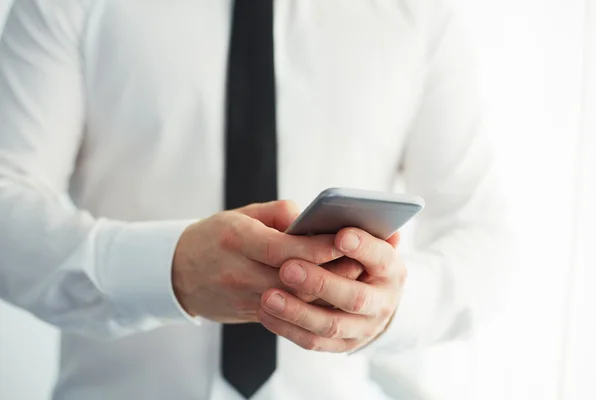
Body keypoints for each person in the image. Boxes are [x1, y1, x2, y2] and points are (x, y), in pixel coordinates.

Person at [0, 0, 510, 399]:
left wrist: (393, 307)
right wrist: (168, 270)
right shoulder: (69, 5)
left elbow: (482, 237)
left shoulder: (419, 16)